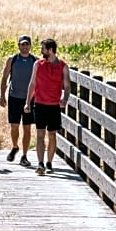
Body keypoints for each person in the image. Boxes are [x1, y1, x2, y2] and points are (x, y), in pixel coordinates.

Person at [23, 38, 71, 176]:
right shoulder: (38, 64)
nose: (41, 51)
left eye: (43, 48)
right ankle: (40, 163)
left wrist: (65, 99)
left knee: (52, 134)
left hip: (54, 105)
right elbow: (32, 84)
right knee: (39, 134)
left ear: (50, 50)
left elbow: (67, 86)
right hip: (39, 104)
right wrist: (27, 102)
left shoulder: (63, 66)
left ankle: (49, 162)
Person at [0, 34, 37, 166]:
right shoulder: (13, 59)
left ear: (30, 46)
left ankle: (24, 156)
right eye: (22, 44)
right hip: (14, 97)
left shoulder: (35, 61)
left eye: (27, 44)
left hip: (29, 99)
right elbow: (4, 78)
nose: (25, 47)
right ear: (18, 45)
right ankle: (15, 146)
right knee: (14, 126)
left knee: (27, 128)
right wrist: (2, 95)